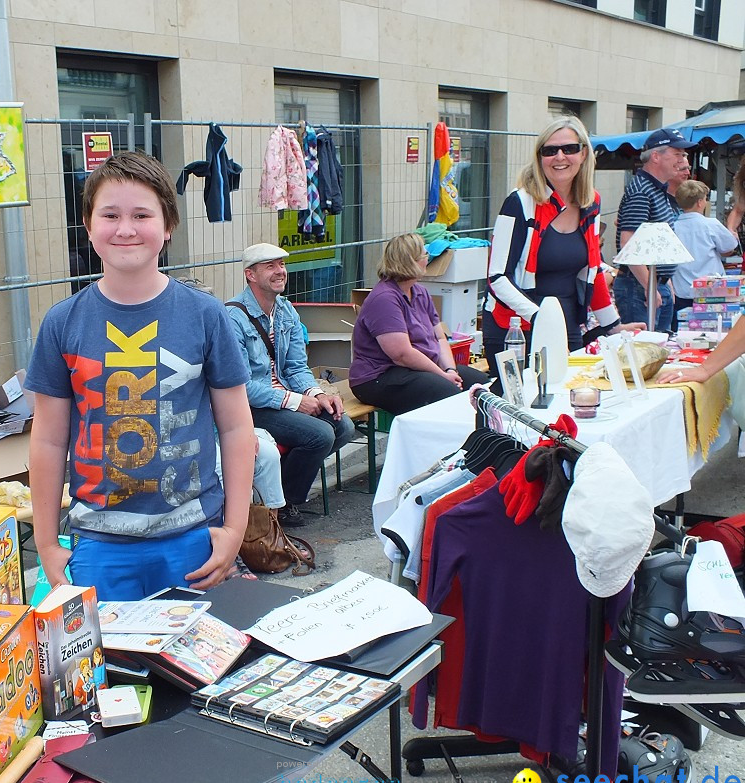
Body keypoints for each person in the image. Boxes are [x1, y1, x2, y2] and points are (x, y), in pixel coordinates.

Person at [25, 151, 255, 602]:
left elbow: (235, 426)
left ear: (167, 226)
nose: (125, 228)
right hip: (97, 545)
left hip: (193, 538)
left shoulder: (206, 315)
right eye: (109, 215)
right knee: (111, 670)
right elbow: (48, 440)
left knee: (192, 670)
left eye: (141, 214)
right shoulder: (62, 323)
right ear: (88, 228)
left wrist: (235, 527)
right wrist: (49, 544)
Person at [483, 116, 638, 382]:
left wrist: (614, 327)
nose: (559, 157)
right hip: (516, 329)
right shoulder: (519, 203)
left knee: (569, 405)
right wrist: (542, 319)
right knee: (525, 412)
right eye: (549, 150)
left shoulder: (591, 202)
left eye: (569, 148)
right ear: (539, 157)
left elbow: (592, 269)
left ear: (584, 153)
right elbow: (497, 278)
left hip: (568, 326)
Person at [226, 243, 355, 528]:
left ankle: (277, 492)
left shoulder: (286, 311)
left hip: (283, 397)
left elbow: (296, 367)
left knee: (343, 425)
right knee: (320, 435)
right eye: (270, 266)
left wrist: (317, 394)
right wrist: (296, 402)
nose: (280, 271)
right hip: (249, 407)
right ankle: (285, 504)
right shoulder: (232, 318)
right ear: (250, 274)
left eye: (282, 265)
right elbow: (240, 386)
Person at [349, 233, 488, 413]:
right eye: (424, 255)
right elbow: (402, 354)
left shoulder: (420, 292)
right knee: (450, 395)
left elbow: (440, 338)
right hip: (379, 376)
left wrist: (450, 370)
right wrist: (442, 376)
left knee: (484, 386)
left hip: (417, 369)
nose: (427, 258)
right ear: (410, 262)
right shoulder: (384, 299)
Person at [614, 127, 697, 332]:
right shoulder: (642, 191)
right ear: (656, 157)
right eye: (677, 154)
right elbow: (628, 243)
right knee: (645, 349)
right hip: (640, 286)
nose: (683, 160)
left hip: (652, 283)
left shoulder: (655, 189)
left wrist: (664, 283)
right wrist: (649, 287)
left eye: (684, 154)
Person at [670, 179, 738, 325]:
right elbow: (729, 247)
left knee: (682, 330)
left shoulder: (672, 226)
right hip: (711, 291)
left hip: (681, 291)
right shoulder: (710, 224)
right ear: (700, 202)